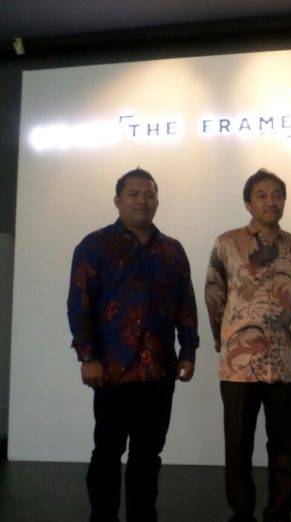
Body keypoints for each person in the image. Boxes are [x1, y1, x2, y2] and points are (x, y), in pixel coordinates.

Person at [67, 168, 199, 522]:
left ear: (157, 200)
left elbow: (186, 304)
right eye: (134, 194)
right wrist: (87, 357)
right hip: (112, 370)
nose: (143, 200)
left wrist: (188, 351)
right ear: (118, 200)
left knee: (148, 455)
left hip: (159, 370)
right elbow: (79, 304)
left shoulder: (172, 250)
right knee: (107, 452)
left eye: (150, 194)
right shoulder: (95, 245)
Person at [205, 168, 291, 522]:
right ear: (248, 203)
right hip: (239, 364)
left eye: (277, 194)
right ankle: (241, 513)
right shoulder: (227, 243)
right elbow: (214, 295)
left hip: (287, 361)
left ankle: (279, 513)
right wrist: (224, 339)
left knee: (284, 447)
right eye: (262, 195)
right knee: (238, 447)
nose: (271, 201)